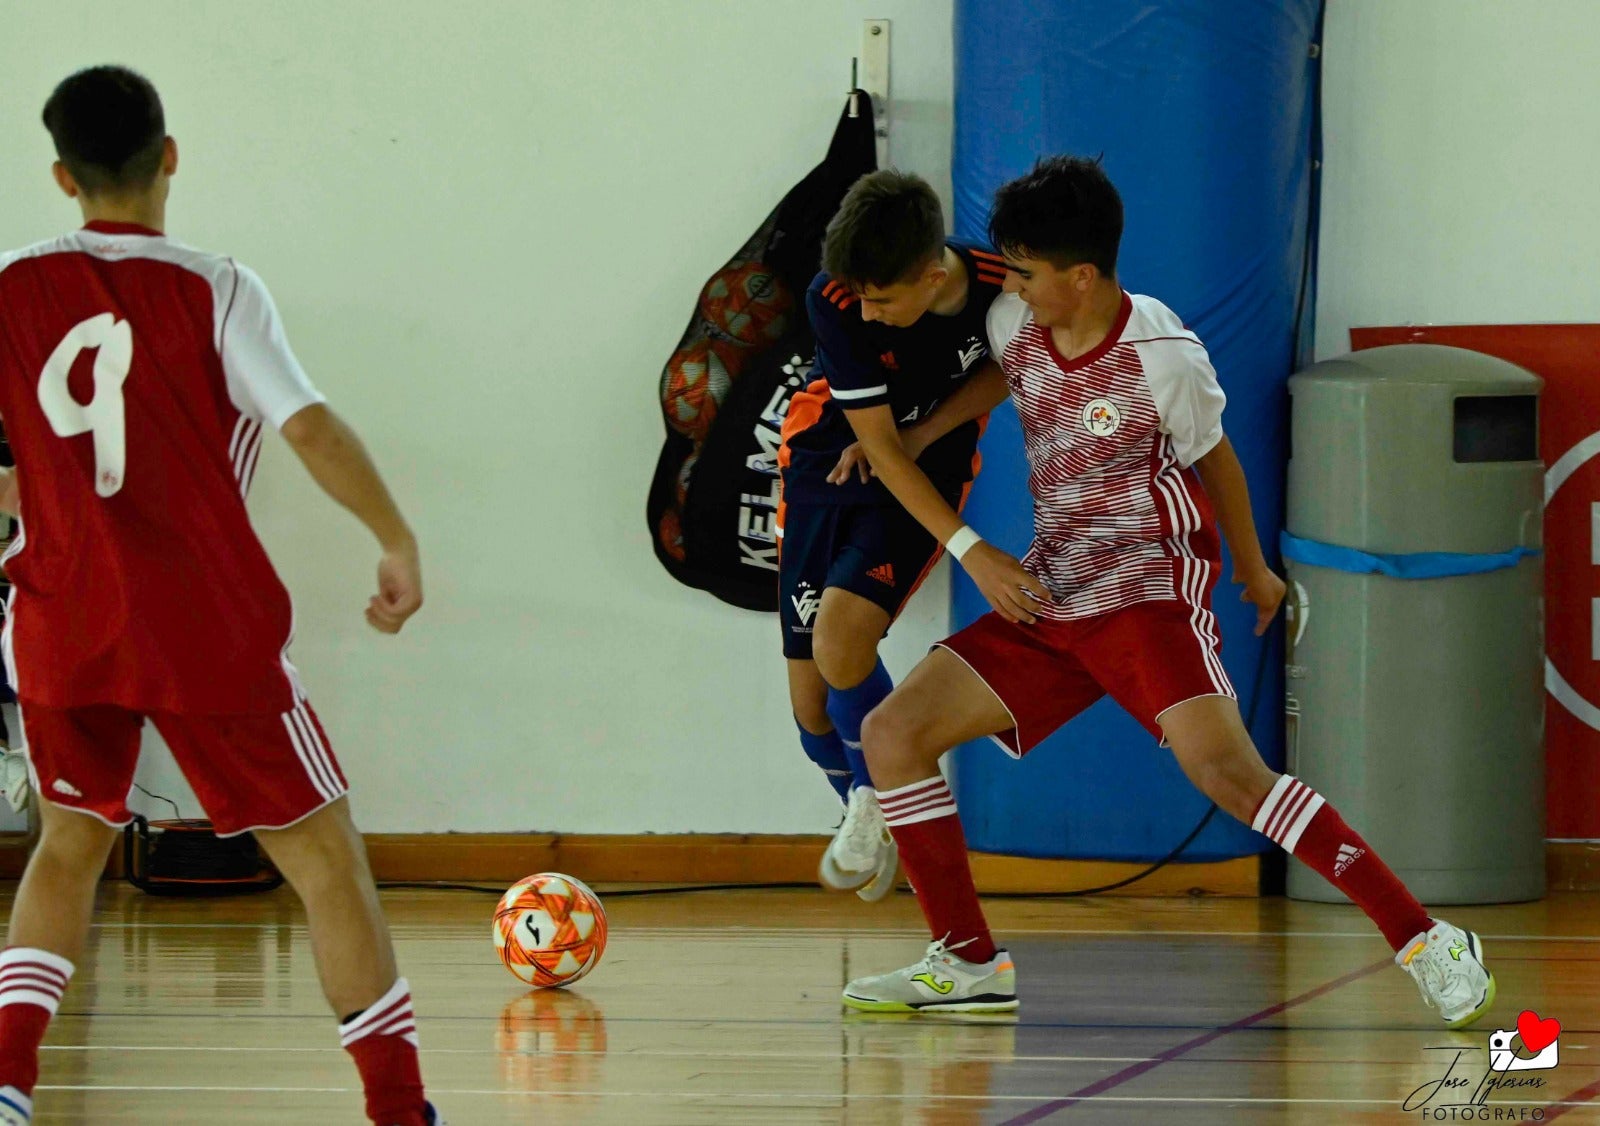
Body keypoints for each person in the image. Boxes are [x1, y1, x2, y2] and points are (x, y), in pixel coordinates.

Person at [838, 156, 1495, 1029]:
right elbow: (1008, 373)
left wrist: (1254, 568)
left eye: (1029, 273)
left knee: (1227, 772)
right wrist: (923, 432)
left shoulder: (1164, 355)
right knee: (892, 733)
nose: (1015, 287)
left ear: (1082, 275)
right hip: (1051, 589)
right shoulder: (1013, 320)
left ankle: (1428, 941)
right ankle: (965, 961)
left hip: (1146, 589)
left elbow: (1215, 458)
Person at [0, 66, 442, 1124]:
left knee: (69, 839)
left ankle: (9, 1084)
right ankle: (399, 1110)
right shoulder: (217, 286)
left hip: (60, 620)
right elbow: (309, 426)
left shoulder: (10, 284)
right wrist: (393, 534)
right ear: (171, 155)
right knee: (326, 860)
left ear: (62, 175)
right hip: (204, 627)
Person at [778, 170, 1008, 899]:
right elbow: (876, 446)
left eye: (883, 301)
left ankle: (886, 803)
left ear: (933, 276)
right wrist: (902, 442)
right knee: (809, 702)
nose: (868, 316)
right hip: (829, 459)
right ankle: (866, 804)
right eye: (862, 300)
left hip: (929, 466)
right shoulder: (837, 296)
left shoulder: (1004, 286)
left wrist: (932, 428)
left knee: (841, 641)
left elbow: (1014, 372)